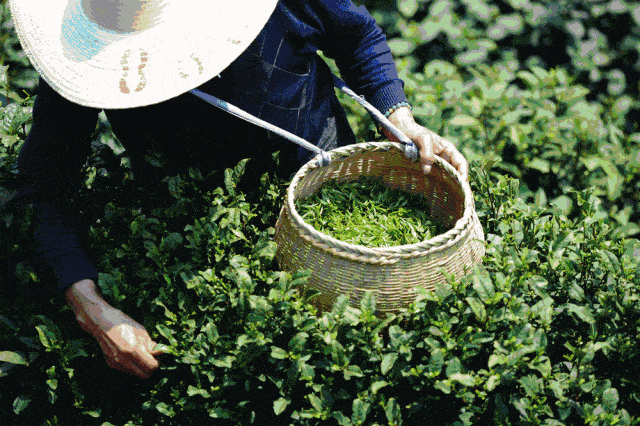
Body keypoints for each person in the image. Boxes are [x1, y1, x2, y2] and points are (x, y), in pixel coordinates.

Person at [6, 0, 469, 379]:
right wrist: (91, 308)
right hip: (199, 240)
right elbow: (44, 183)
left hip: (326, 185)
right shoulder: (89, 55)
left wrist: (399, 118)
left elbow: (357, 35)